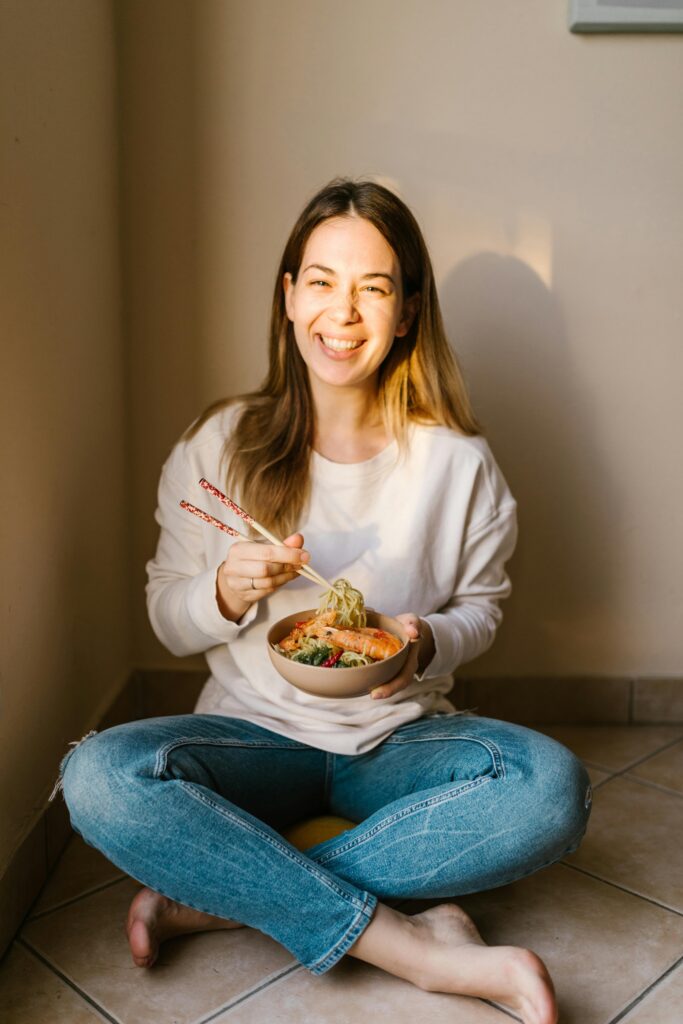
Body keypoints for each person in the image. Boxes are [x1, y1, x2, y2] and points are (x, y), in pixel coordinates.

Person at [60, 178, 591, 1024]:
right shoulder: (218, 444)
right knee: (98, 777)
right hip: (251, 744)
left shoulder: (457, 464)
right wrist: (222, 592)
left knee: (552, 790)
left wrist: (425, 642)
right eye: (320, 281)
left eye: (372, 288)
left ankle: (226, 893)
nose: (341, 312)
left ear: (406, 312)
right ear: (288, 296)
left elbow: (481, 611)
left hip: (397, 742)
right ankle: (417, 947)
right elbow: (166, 615)